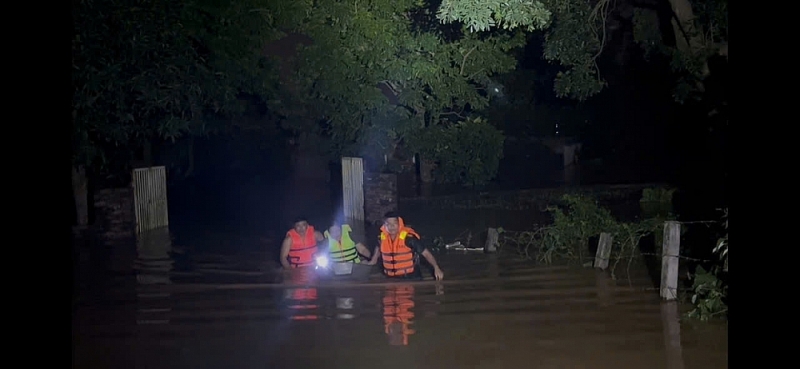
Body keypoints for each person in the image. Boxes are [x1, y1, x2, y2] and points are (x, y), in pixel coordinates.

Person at [367, 212, 444, 280]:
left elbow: (427, 254)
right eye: (388, 224)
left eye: (394, 224)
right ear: (384, 226)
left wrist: (436, 268)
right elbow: (374, 260)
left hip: (411, 277)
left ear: (399, 224)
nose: (391, 226)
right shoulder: (381, 240)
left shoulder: (409, 239)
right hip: (391, 278)